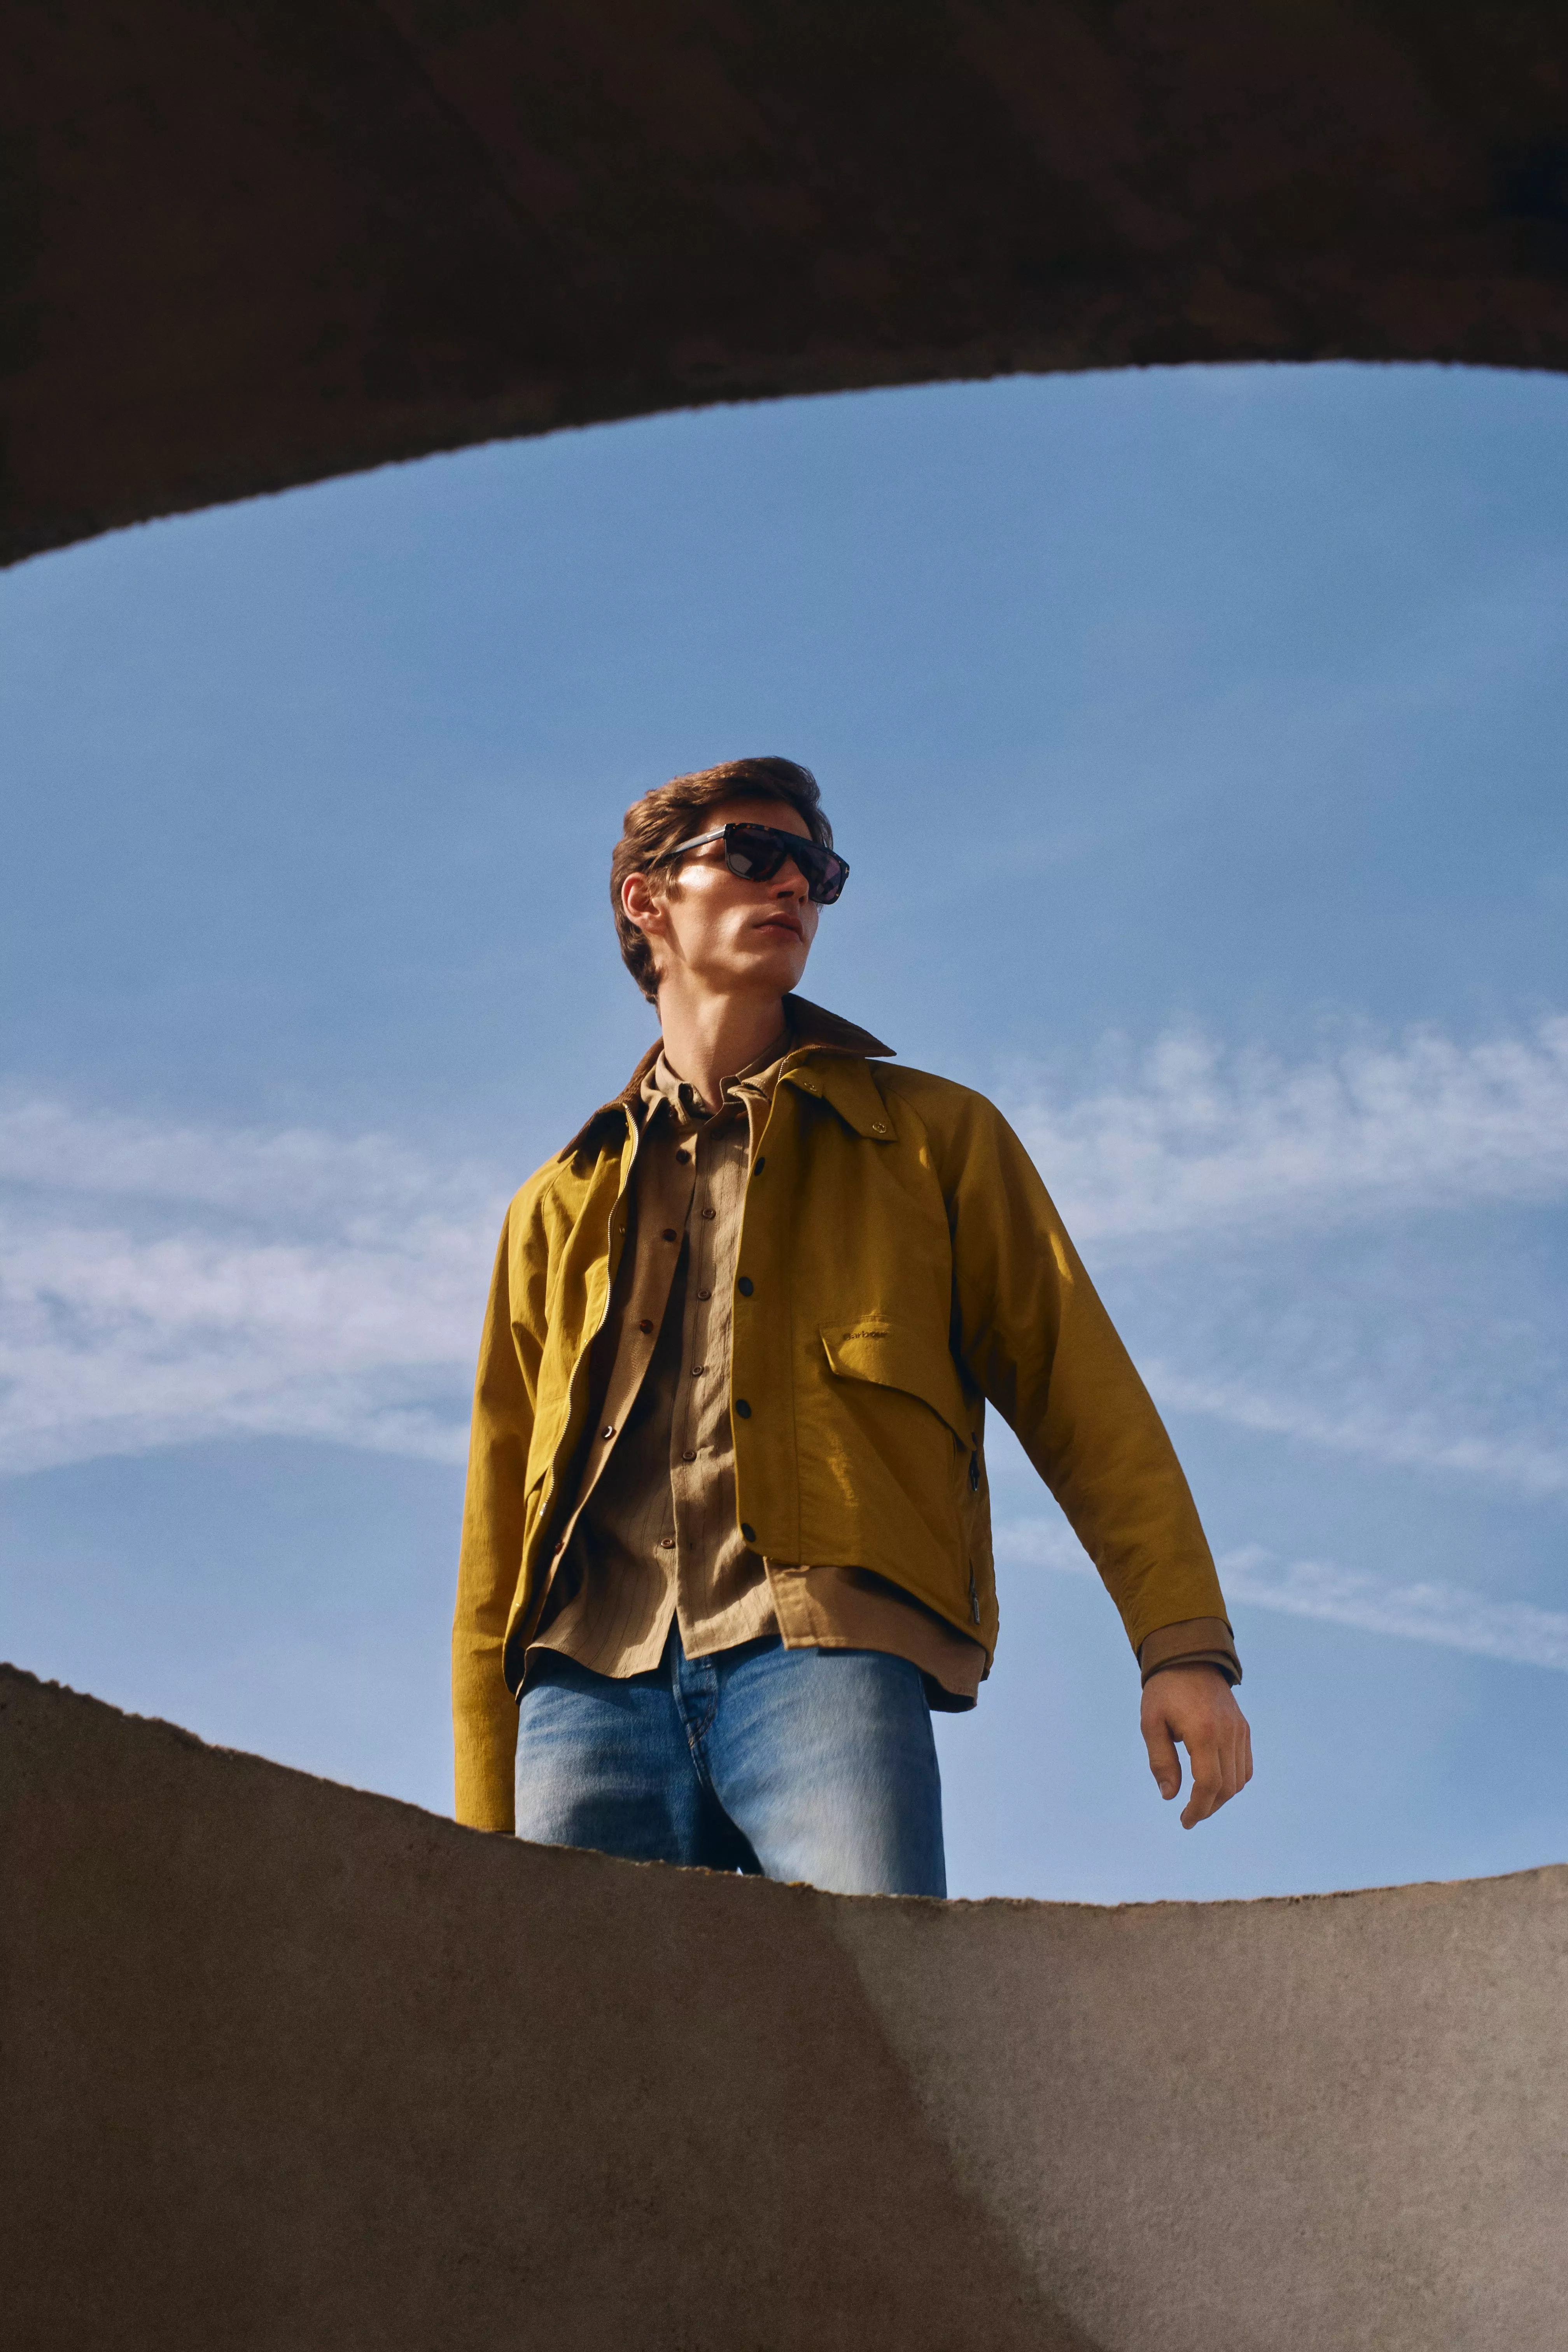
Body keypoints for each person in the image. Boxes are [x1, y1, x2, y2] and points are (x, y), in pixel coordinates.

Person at [452, 756, 1252, 1895]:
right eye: (753, 853)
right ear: (647, 898)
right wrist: (481, 1837)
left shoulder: (935, 1138)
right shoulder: (557, 1205)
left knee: (873, 1997)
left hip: (822, 1661)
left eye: (817, 872)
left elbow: (1083, 1393)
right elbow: (497, 1531)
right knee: (570, 2018)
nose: (794, 885)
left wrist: (1182, 1647)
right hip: (582, 1694)